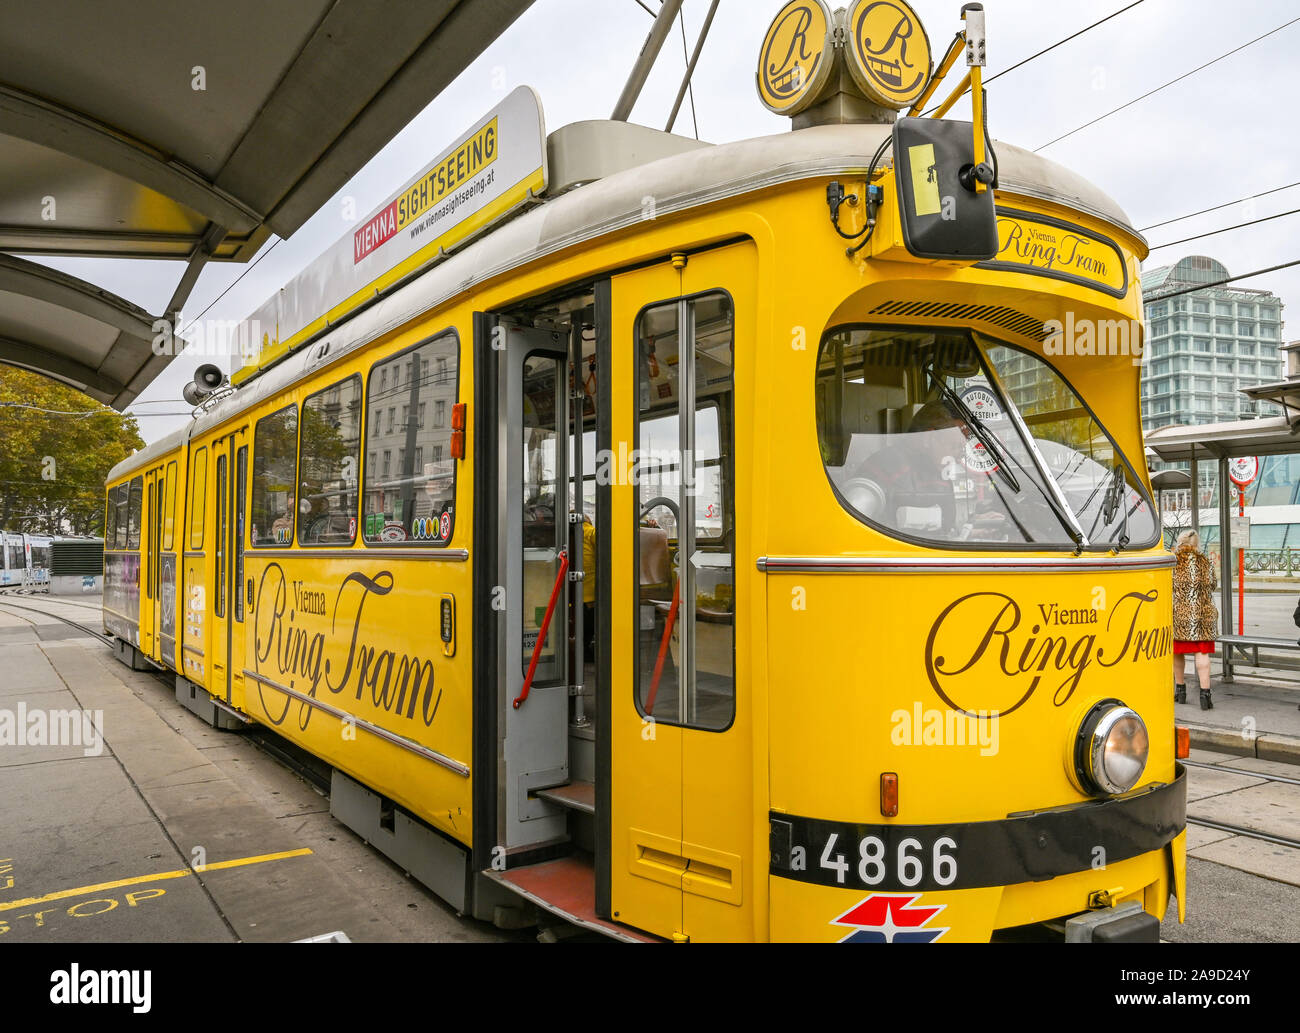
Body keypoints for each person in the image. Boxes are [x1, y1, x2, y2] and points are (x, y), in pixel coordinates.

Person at [1172, 529, 1218, 709]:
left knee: (1177, 652)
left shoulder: (1173, 561)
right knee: (1202, 653)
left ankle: (1180, 690)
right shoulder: (1205, 561)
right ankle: (1205, 695)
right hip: (1203, 615)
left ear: (1180, 542)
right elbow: (1213, 584)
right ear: (1196, 543)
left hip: (1179, 615)